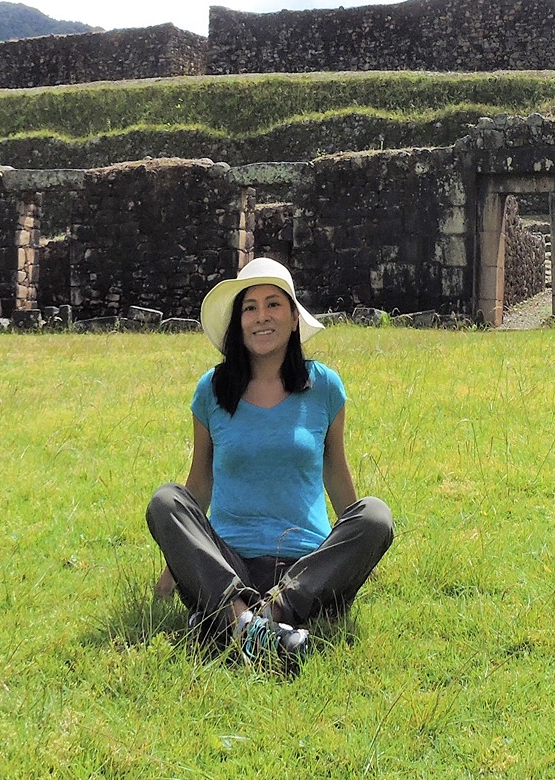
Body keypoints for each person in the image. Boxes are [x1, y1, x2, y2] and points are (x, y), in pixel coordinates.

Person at [145, 258, 394, 670]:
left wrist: (353, 552)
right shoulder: (211, 390)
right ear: (238, 323)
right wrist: (175, 569)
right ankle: (252, 622)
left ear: (294, 318)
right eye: (250, 307)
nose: (262, 316)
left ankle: (237, 623)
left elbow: (336, 472)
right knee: (165, 500)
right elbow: (198, 486)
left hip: (304, 571)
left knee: (376, 515)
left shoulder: (325, 386)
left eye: (273, 304)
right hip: (226, 565)